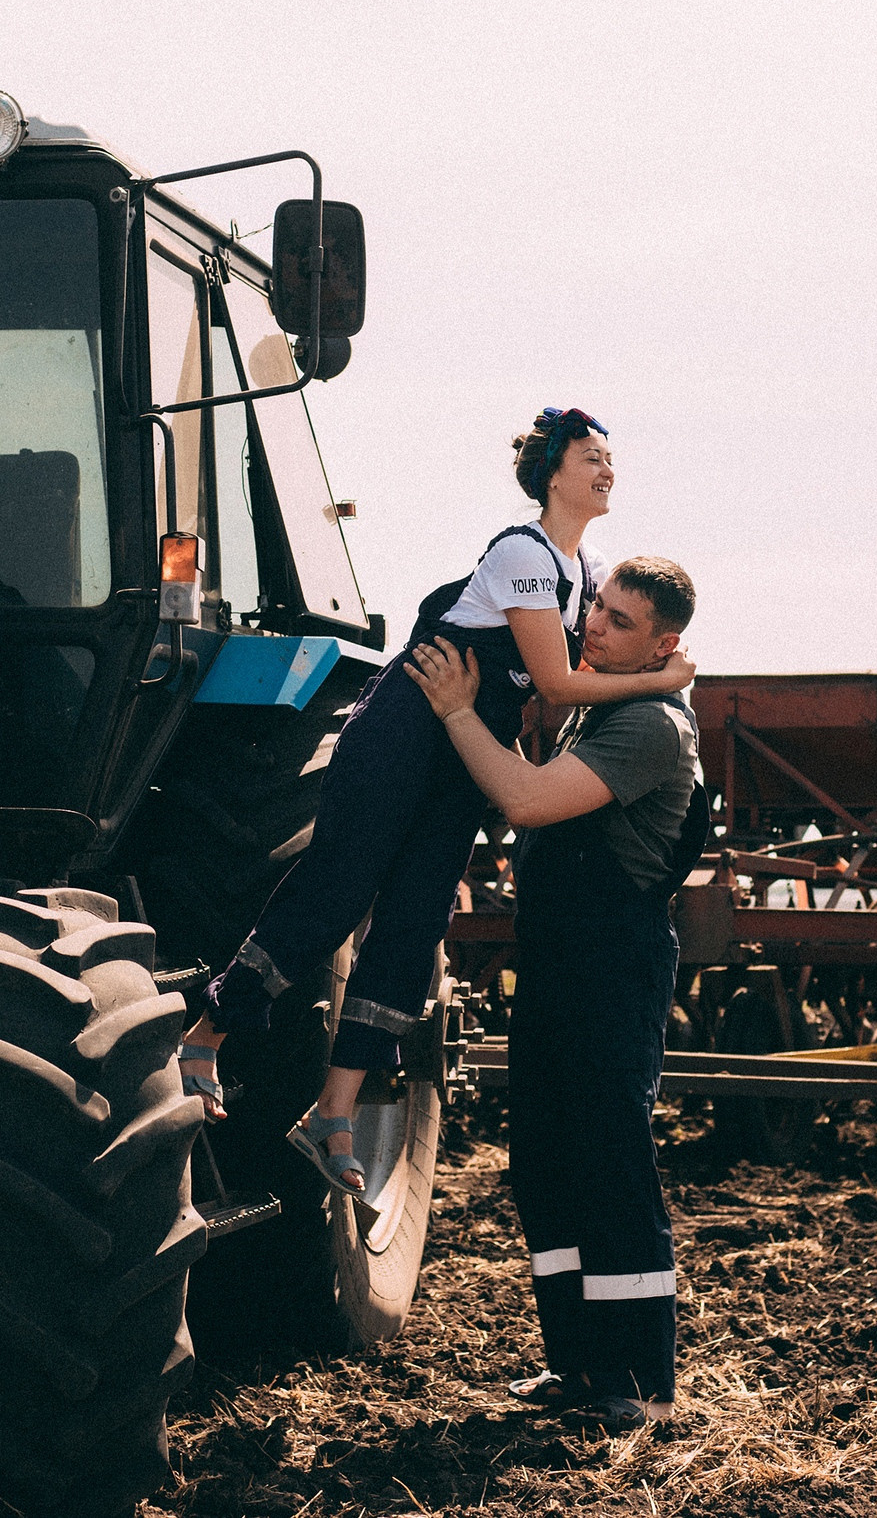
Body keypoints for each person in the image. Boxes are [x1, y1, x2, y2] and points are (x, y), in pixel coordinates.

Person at [181, 409, 697, 1196]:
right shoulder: (523, 551)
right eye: (592, 457)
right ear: (553, 473)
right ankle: (206, 1033)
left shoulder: (580, 575)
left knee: (417, 924)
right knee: (341, 890)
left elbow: (543, 700)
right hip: (408, 726)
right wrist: (659, 680)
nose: (606, 469)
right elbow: (557, 684)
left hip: (461, 751)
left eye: (611, 459)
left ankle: (333, 1112)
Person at [403, 556, 706, 1430]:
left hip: (615, 966)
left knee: (609, 1163)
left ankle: (640, 1383)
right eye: (596, 609)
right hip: (559, 965)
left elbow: (529, 802)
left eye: (618, 621)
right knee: (545, 1162)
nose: (594, 627)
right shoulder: (591, 709)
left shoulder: (651, 723)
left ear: (665, 643)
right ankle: (576, 1365)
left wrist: (458, 711)